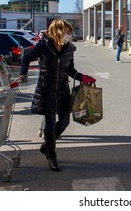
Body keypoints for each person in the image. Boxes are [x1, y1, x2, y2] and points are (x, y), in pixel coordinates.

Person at [18, 19, 96, 172]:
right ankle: (52, 156)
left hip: (62, 89)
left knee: (64, 122)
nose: (69, 35)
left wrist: (83, 77)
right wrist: (23, 75)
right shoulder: (44, 45)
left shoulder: (69, 49)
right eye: (67, 32)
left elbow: (70, 70)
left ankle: (46, 147)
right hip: (46, 90)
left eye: (70, 32)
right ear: (58, 31)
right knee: (50, 125)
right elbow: (26, 57)